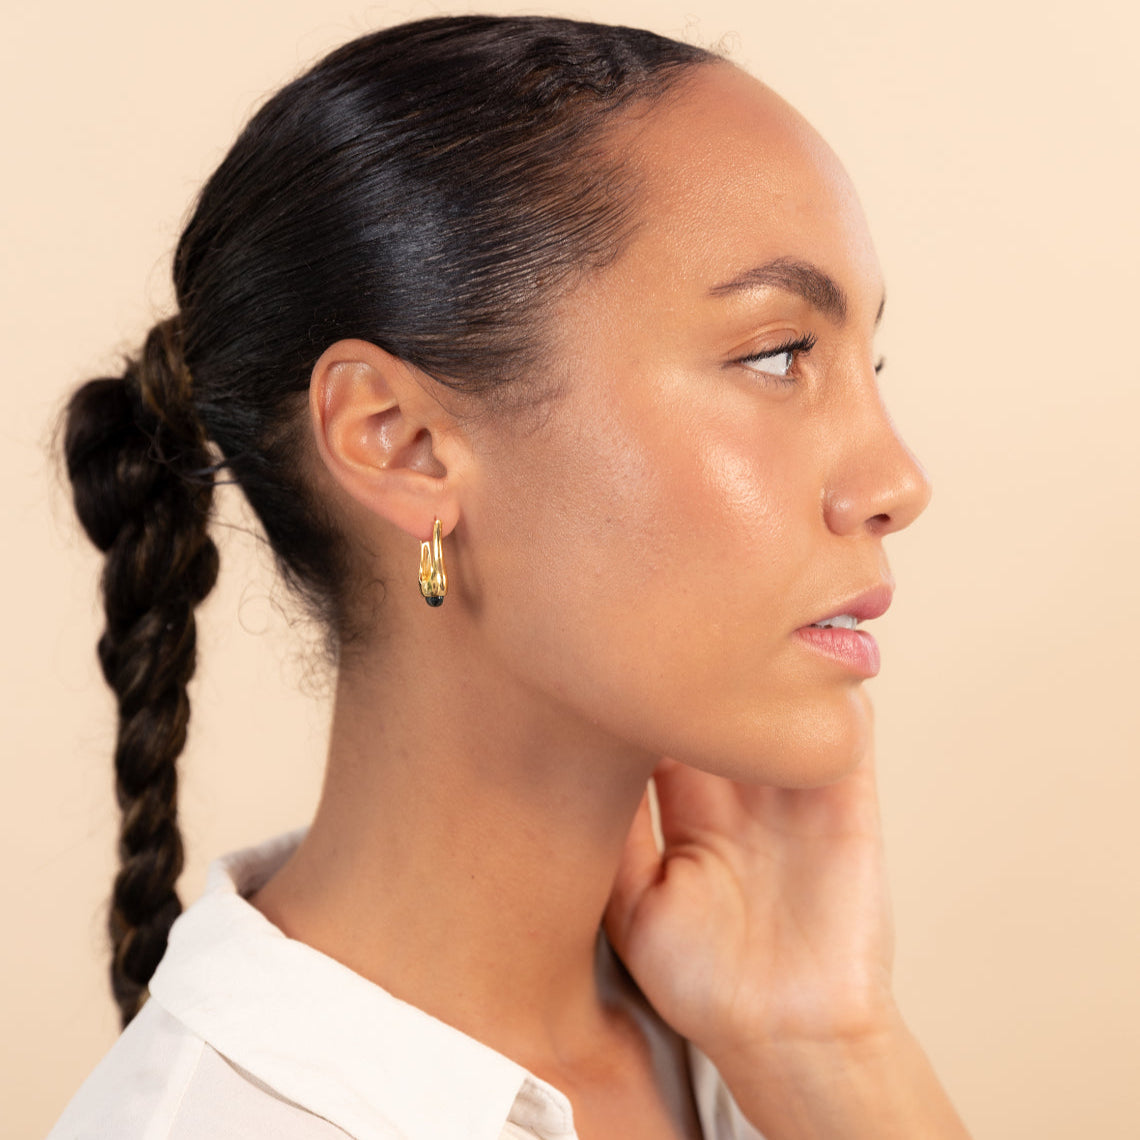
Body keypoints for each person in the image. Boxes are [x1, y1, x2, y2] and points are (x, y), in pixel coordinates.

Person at [50, 13, 972, 1139]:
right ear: (401, 441)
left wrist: (833, 1052)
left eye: (864, 364)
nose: (896, 482)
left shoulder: (753, 1033)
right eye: (777, 356)